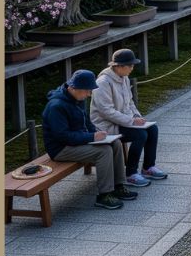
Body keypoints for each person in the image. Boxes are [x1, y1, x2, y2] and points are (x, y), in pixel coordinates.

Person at [42, 70, 139, 210]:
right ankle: (104, 195)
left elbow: (87, 122)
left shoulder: (77, 99)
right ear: (74, 88)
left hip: (76, 142)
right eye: (87, 91)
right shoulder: (56, 106)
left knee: (115, 143)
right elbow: (62, 136)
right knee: (104, 151)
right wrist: (92, 137)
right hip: (60, 149)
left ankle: (119, 185)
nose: (89, 94)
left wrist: (97, 133)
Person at [91, 50, 168, 189]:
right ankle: (130, 173)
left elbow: (130, 102)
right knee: (140, 134)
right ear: (118, 66)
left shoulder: (124, 78)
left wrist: (137, 116)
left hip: (123, 121)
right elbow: (106, 112)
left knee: (152, 129)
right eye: (130, 65)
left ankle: (148, 167)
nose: (132, 68)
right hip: (105, 125)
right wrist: (132, 121)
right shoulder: (102, 82)